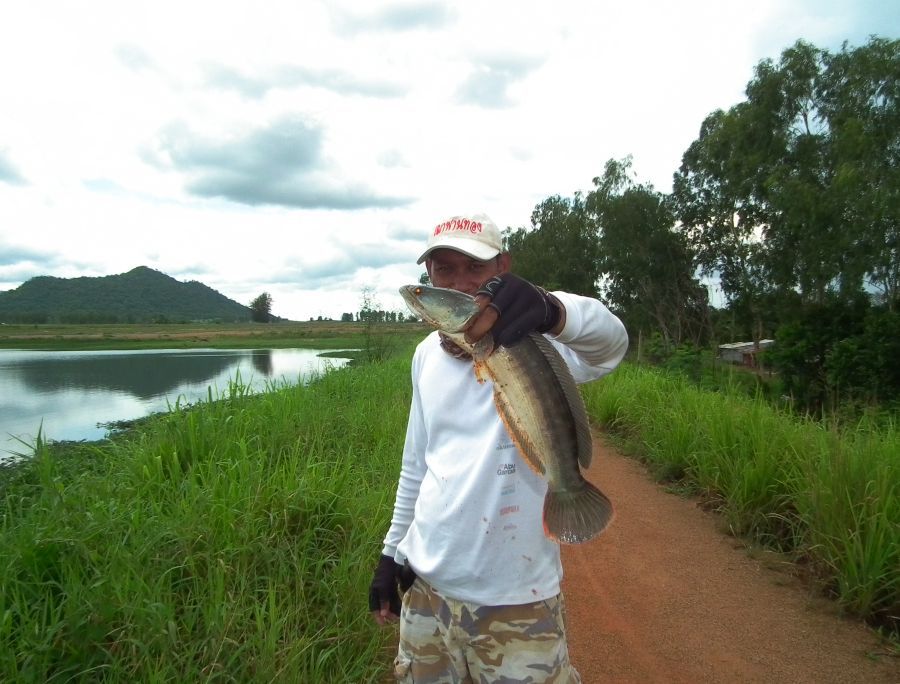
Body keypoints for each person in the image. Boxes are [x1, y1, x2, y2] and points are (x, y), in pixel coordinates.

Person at [370, 212, 629, 683]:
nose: (461, 282)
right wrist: (393, 554)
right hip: (428, 591)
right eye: (444, 270)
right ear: (429, 274)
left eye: (475, 268)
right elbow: (417, 464)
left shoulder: (537, 336)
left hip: (518, 599)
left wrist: (551, 309)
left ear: (502, 268)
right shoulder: (427, 354)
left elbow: (611, 343)